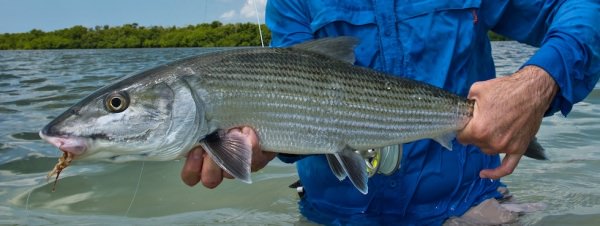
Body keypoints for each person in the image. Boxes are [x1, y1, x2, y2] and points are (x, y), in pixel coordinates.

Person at [181, 0, 600, 225]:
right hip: (335, 216)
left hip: (467, 206)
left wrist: (538, 82)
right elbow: (289, 98)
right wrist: (262, 144)